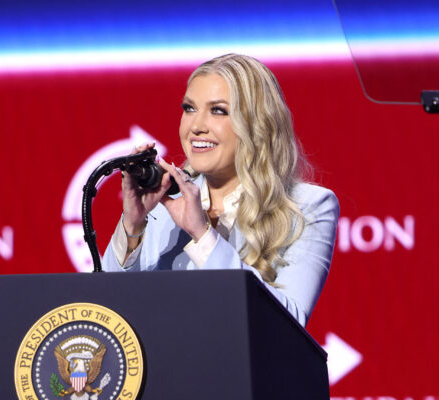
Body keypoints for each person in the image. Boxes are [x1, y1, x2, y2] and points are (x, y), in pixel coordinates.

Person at [102, 54, 339, 328]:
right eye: (189, 108)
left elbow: (289, 322)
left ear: (256, 123)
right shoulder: (162, 207)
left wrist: (203, 237)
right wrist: (132, 226)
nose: (196, 126)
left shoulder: (307, 206)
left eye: (218, 111)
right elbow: (108, 317)